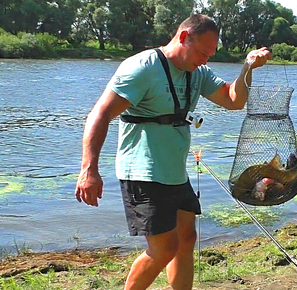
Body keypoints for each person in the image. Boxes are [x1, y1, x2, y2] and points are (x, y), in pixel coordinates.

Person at [75, 14, 272, 290]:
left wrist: (247, 68)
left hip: (175, 173)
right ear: (183, 37)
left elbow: (233, 100)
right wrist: (89, 169)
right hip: (142, 171)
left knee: (186, 240)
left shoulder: (198, 73)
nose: (205, 59)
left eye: (210, 53)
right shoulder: (143, 67)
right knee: (164, 248)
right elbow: (100, 114)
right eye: (202, 51)